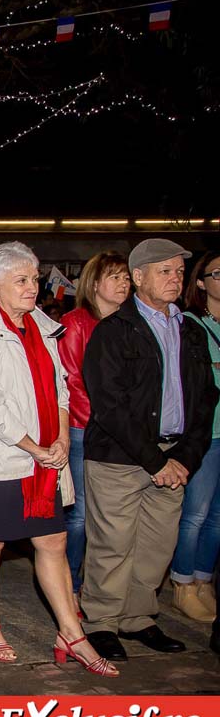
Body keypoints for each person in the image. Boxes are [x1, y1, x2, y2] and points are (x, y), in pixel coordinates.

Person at [0, 242, 117, 677]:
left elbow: (61, 388)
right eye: (21, 280)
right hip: (0, 460)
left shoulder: (45, 329)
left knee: (54, 542)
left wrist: (62, 438)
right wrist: (34, 447)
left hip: (45, 459)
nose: (33, 287)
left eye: (34, 279)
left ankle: (70, 631)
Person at [80, 239, 218, 660]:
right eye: (164, 271)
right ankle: (101, 622)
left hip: (174, 458)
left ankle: (138, 618)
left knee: (157, 545)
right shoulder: (114, 331)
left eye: (179, 271)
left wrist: (185, 458)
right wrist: (156, 461)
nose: (175, 278)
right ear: (138, 278)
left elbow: (204, 400)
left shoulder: (190, 329)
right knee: (113, 545)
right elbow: (110, 406)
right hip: (122, 458)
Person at [56, 251, 131, 597]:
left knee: (113, 515)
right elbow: (72, 381)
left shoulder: (132, 324)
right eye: (114, 277)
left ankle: (105, 584)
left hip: (125, 432)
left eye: (126, 277)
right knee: (81, 513)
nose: (123, 283)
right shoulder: (75, 323)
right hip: (85, 427)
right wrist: (105, 419)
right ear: (94, 283)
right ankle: (70, 584)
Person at [169, 252, 220, 621]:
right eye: (218, 273)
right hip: (208, 433)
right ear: (201, 282)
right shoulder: (190, 324)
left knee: (218, 516)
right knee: (196, 514)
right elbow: (192, 380)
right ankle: (183, 583)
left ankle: (204, 580)